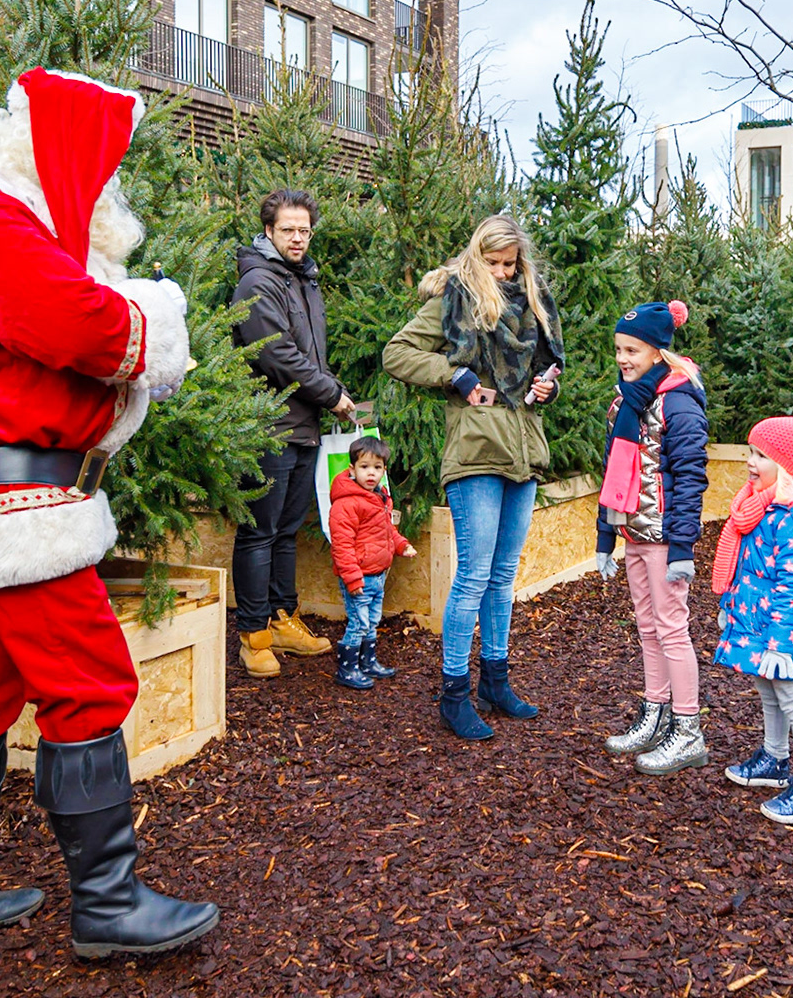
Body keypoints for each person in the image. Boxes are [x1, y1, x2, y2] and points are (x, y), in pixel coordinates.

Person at [0, 69, 217, 956]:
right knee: (90, 681)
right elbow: (79, 326)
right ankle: (107, 906)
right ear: (65, 151)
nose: (110, 183)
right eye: (103, 162)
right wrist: (158, 310)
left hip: (4, 498)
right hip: (18, 506)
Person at [382, 215, 563, 741]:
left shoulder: (532, 303)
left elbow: (547, 366)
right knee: (473, 576)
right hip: (476, 452)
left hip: (525, 451)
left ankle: (495, 682)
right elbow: (397, 352)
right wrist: (456, 375)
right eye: (494, 262)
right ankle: (453, 694)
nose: (503, 273)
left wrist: (547, 387)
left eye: (511, 264)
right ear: (476, 256)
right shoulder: (453, 300)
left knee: (504, 575)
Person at [230, 188, 355, 677]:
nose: (298, 237)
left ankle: (282, 619)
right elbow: (276, 354)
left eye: (304, 230)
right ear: (268, 231)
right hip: (270, 425)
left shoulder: (303, 278)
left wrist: (323, 398)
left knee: (284, 532)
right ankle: (253, 636)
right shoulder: (259, 281)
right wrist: (332, 393)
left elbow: (306, 351)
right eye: (288, 230)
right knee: (258, 533)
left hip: (302, 426)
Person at [595, 301, 710, 774]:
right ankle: (655, 716)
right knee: (647, 629)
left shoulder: (678, 401)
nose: (623, 358)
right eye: (619, 349)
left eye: (633, 350)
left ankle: (688, 731)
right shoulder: (625, 403)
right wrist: (606, 535)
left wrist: (683, 548)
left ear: (658, 351)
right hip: (635, 534)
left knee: (672, 630)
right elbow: (613, 474)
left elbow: (690, 478)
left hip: (665, 538)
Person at [714, 409, 793, 825]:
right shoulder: (764, 503)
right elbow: (751, 568)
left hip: (783, 627)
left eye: (761, 455)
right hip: (758, 618)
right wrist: (730, 608)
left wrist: (781, 643)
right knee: (768, 690)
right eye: (751, 451)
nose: (750, 462)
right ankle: (774, 759)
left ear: (785, 464)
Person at [326, 436, 417, 688]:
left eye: (377, 468)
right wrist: (353, 579)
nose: (371, 473)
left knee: (373, 621)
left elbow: (387, 531)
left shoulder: (379, 498)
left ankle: (367, 662)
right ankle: (347, 669)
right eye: (364, 467)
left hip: (378, 576)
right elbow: (342, 546)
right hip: (360, 578)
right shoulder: (346, 504)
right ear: (352, 469)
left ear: (383, 471)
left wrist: (401, 545)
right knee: (359, 623)